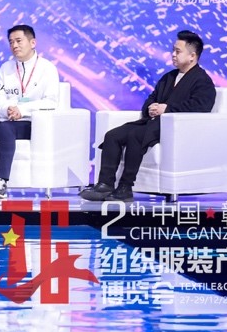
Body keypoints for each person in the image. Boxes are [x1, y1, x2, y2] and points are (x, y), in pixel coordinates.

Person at [81, 30, 217, 203]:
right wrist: (151, 108)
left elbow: (201, 106)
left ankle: (125, 187)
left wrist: (167, 109)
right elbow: (152, 98)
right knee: (113, 135)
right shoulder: (169, 77)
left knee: (136, 135)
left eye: (178, 51)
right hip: (152, 122)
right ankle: (105, 184)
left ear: (192, 56)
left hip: (174, 127)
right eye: (173, 50)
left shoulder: (202, 80)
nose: (173, 54)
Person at [0, 24, 61, 200]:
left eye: (19, 41)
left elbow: (51, 101)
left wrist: (22, 110)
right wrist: (7, 108)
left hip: (31, 123)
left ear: (32, 42)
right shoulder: (6, 68)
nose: (14, 45)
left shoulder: (47, 68)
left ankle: (1, 181)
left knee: (6, 128)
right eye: (11, 42)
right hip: (7, 118)